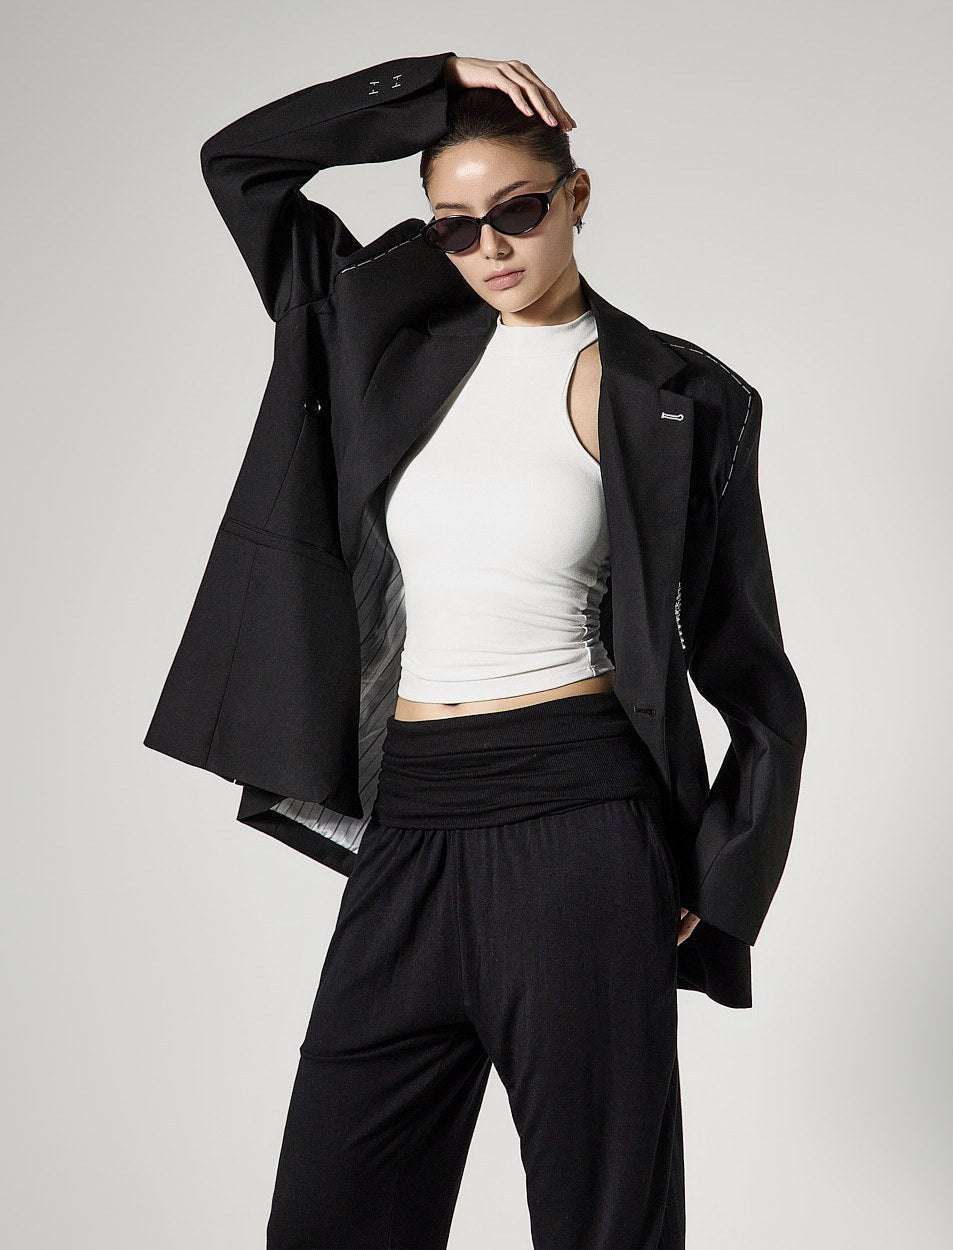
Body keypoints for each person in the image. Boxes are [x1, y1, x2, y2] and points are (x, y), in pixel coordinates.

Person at [145, 51, 807, 1250]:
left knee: (603, 1221)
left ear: (577, 196)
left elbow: (747, 667)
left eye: (518, 210)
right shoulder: (380, 339)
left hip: (582, 829)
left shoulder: (681, 397)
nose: (490, 246)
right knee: (332, 1215)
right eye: (454, 226)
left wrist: (716, 878)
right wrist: (426, 80)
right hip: (409, 827)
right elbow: (240, 166)